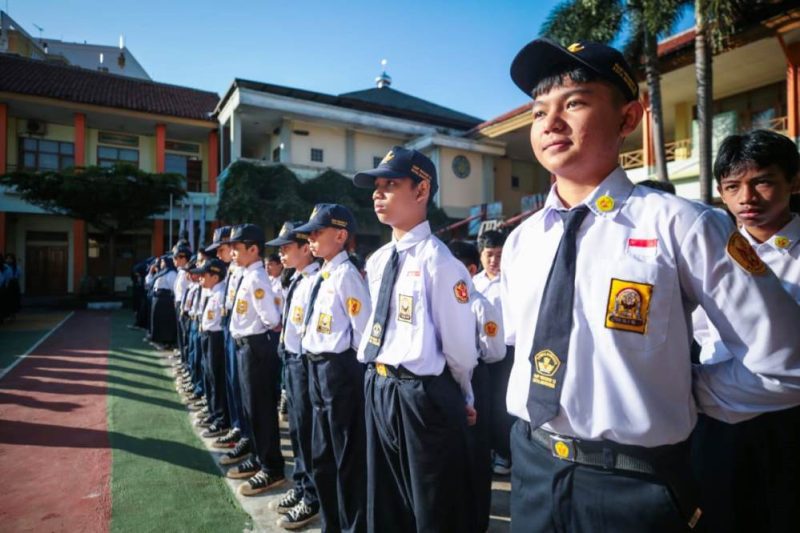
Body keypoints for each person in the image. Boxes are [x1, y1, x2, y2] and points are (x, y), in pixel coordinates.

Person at [501, 38, 800, 532]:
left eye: (574, 102)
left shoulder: (683, 225)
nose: (550, 123)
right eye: (538, 112)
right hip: (534, 467)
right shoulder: (523, 240)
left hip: (634, 483)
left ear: (627, 118)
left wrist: (690, 392)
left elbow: (786, 360)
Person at [353, 147, 479, 533]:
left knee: (432, 507)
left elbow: (459, 345)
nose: (378, 193)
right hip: (379, 385)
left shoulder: (440, 262)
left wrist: (465, 394)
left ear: (421, 190)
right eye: (376, 186)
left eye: (390, 184)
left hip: (421, 395)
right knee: (385, 502)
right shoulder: (376, 261)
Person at [692, 129, 800, 532]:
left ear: (794, 180)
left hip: (787, 424)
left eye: (763, 182)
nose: (746, 199)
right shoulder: (710, 252)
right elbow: (701, 334)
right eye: (732, 186)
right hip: (719, 427)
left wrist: (698, 386)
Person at [293, 203, 371, 533]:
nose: (310, 238)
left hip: (339, 373)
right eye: (309, 233)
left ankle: (352, 526)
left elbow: (363, 333)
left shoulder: (347, 276)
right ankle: (331, 524)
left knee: (347, 460)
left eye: (316, 232)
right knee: (322, 457)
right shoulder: (321, 275)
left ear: (340, 235)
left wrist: (347, 375)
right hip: (315, 370)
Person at [448, 239, 506, 532]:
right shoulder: (442, 301)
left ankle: (476, 520)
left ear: (470, 269)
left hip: (476, 376)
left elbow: (495, 351)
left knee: (475, 452)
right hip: (444, 379)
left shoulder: (479, 305)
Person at [267, 221, 322, 530]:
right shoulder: (298, 280)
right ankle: (301, 486)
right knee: (297, 432)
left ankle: (312, 496)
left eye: (287, 248)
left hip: (304, 364)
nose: (282, 254)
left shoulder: (316, 281)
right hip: (290, 362)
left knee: (307, 432)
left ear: (305, 248)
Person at [226, 224, 286, 496]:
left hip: (256, 348)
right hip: (245, 346)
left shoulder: (257, 278)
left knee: (261, 410)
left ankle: (271, 467)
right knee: (251, 408)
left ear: (253, 249)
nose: (233, 253)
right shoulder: (246, 275)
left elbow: (271, 319)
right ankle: (260, 458)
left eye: (238, 248)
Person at [473, 229, 514, 476]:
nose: (494, 261)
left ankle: (504, 453)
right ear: (480, 255)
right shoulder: (473, 284)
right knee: (482, 404)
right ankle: (486, 449)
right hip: (480, 354)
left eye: (499, 255)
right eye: (489, 254)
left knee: (502, 404)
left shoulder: (511, 283)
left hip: (507, 352)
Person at [191, 258, 230, 438]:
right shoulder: (211, 292)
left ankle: (221, 419)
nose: (200, 279)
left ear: (215, 277)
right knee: (209, 375)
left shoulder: (221, 294)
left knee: (217, 378)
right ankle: (214, 412)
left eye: (204, 275)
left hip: (216, 338)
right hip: (207, 336)